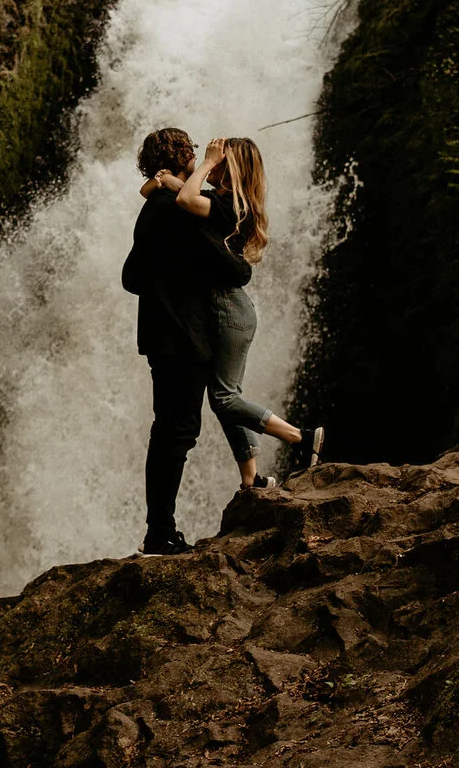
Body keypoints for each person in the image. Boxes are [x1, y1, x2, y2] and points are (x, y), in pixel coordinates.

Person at [144, 134, 322, 493]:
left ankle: (301, 437)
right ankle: (251, 478)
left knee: (224, 398)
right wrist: (162, 179)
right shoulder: (221, 202)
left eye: (222, 163)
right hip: (221, 310)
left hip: (229, 309)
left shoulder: (230, 206)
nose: (213, 163)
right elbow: (161, 192)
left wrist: (205, 162)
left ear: (231, 170)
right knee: (225, 396)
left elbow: (184, 197)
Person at [119, 127, 253, 555]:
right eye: (193, 150)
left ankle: (160, 528)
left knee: (168, 432)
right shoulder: (184, 212)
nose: (199, 154)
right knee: (177, 434)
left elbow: (131, 277)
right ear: (182, 156)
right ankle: (160, 533)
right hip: (186, 335)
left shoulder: (152, 208)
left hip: (158, 335)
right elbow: (236, 271)